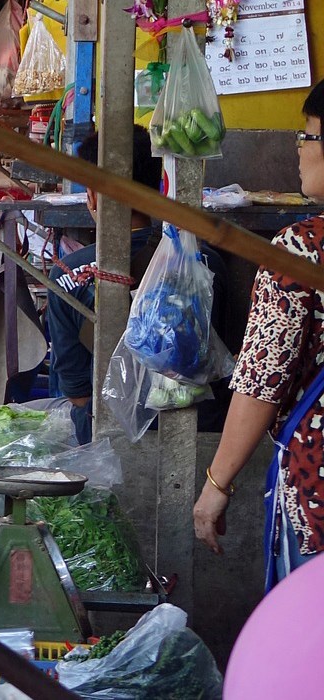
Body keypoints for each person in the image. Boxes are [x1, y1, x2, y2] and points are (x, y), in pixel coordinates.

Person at [195, 80, 324, 584]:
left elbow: (262, 380)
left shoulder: (298, 252)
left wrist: (216, 482)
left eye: (309, 134)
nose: (298, 147)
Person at [45, 126, 166, 443]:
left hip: (103, 442)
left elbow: (78, 393)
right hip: (201, 436)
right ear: (158, 186)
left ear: (94, 196)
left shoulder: (69, 276)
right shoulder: (205, 264)